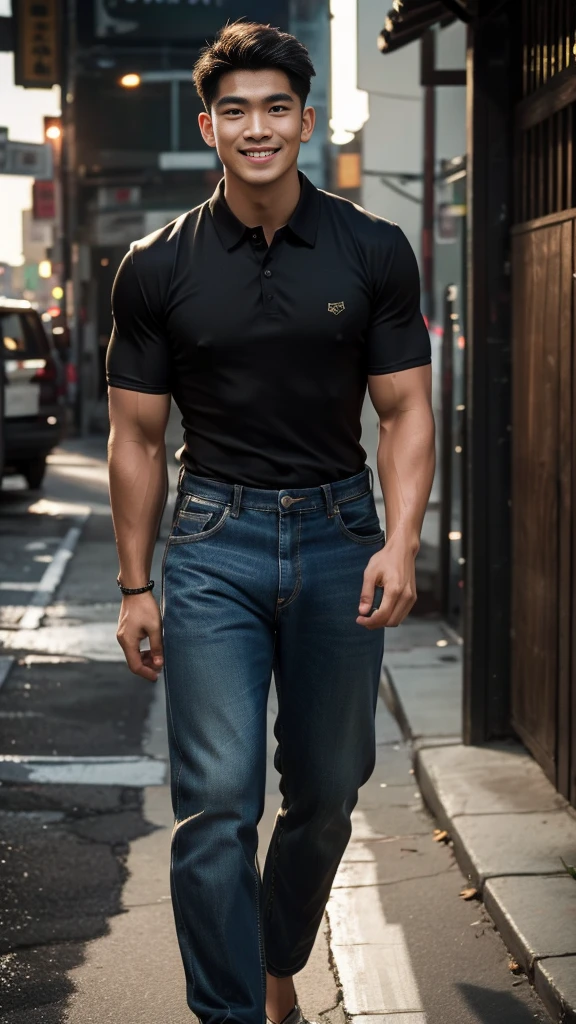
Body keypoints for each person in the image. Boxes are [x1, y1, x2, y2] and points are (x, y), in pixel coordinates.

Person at [106, 21, 435, 1024]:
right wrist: (134, 584)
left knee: (331, 789)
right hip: (214, 543)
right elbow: (136, 437)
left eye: (277, 107)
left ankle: (275, 950)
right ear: (209, 125)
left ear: (305, 118)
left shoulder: (371, 248)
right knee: (215, 802)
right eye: (237, 110)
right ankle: (233, 1009)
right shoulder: (155, 266)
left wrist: (399, 539)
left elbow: (406, 407)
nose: (259, 128)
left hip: (340, 536)